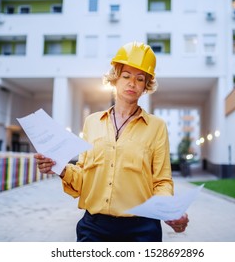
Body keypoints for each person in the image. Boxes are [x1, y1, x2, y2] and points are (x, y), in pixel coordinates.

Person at [34, 41, 189, 242]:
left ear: (145, 86)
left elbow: (162, 181)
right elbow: (83, 176)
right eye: (126, 76)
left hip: (141, 229)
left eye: (140, 79)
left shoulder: (157, 127)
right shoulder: (92, 123)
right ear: (115, 79)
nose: (132, 83)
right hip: (94, 228)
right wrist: (60, 167)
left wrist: (169, 209)